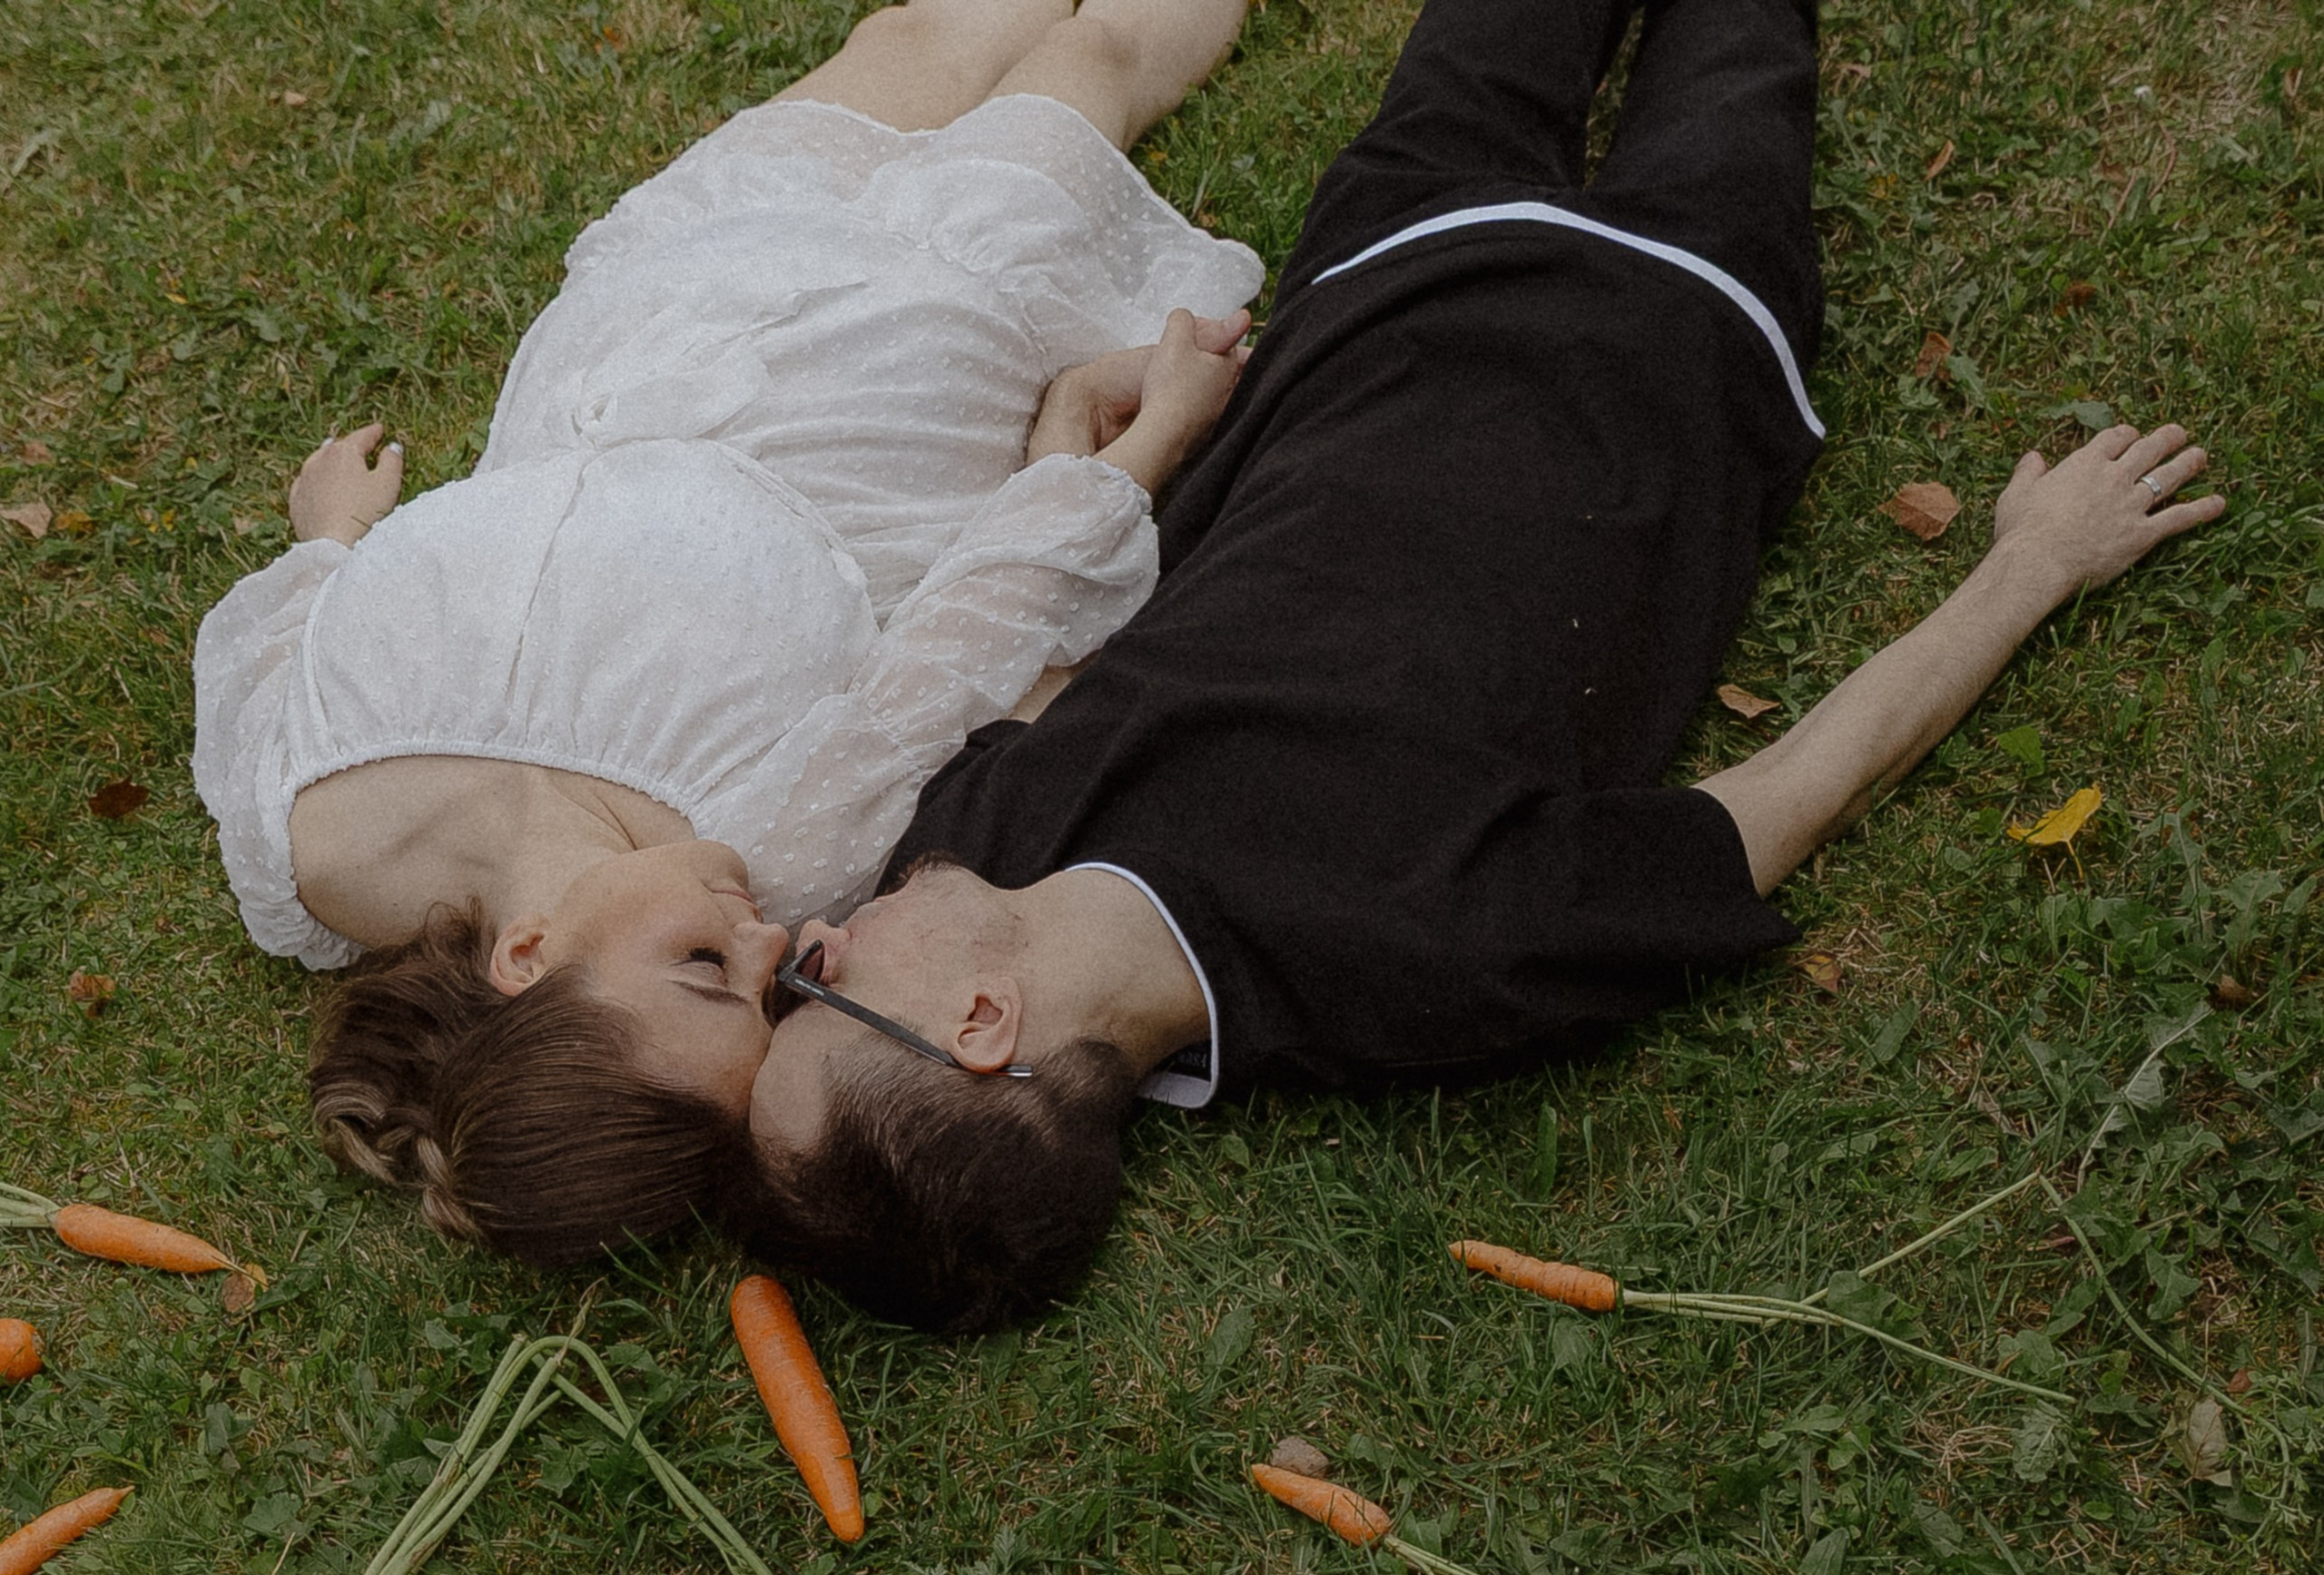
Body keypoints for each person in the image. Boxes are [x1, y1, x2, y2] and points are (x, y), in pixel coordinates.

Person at [733, 0, 2224, 1333]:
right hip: (1680, 305)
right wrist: (2034, 565)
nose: (817, 943)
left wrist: (1099, 448)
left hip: (1382, 263)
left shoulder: (967, 857)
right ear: (987, 1030)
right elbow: (1783, 802)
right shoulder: (1424, 960)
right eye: (822, 989)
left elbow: (1052, 652)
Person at [190, 0, 1261, 1260]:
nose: (774, 938)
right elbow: (982, 631)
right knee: (1086, 65)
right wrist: (1145, 448)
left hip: (656, 325)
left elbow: (263, 677)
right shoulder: (786, 845)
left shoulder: (309, 845)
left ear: (526, 956)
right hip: (896, 388)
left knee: (909, 42)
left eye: (708, 965)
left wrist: (326, 546)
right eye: (770, 990)